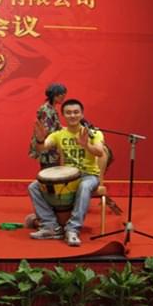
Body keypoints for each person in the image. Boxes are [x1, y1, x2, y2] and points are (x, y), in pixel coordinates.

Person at [29, 99, 105, 246]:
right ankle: (51, 226)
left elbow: (100, 152)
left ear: (82, 114)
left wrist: (86, 145)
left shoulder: (94, 133)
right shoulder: (58, 134)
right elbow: (42, 149)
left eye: (76, 112)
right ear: (63, 115)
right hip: (68, 178)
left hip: (89, 176)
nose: (72, 115)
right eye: (68, 113)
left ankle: (72, 229)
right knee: (34, 186)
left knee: (84, 186)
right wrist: (39, 140)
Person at [28, 83, 67, 169]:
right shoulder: (46, 110)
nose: (64, 96)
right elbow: (49, 130)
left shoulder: (51, 108)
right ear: (55, 95)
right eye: (61, 94)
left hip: (50, 145)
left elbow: (57, 126)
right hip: (47, 147)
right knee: (49, 171)